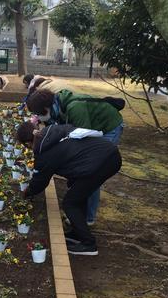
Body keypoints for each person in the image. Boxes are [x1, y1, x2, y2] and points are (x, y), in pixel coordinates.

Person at [17, 122, 122, 256]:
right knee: (78, 195)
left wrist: (28, 192)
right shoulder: (51, 132)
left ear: (27, 143)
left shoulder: (44, 152)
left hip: (100, 162)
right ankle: (78, 231)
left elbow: (40, 181)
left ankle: (89, 244)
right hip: (107, 152)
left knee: (70, 203)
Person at [26, 88, 124, 225]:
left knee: (93, 172)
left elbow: (84, 137)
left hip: (108, 127)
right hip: (93, 126)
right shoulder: (57, 107)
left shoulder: (75, 108)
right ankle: (78, 209)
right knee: (84, 173)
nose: (38, 117)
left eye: (38, 113)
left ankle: (87, 218)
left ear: (46, 107)